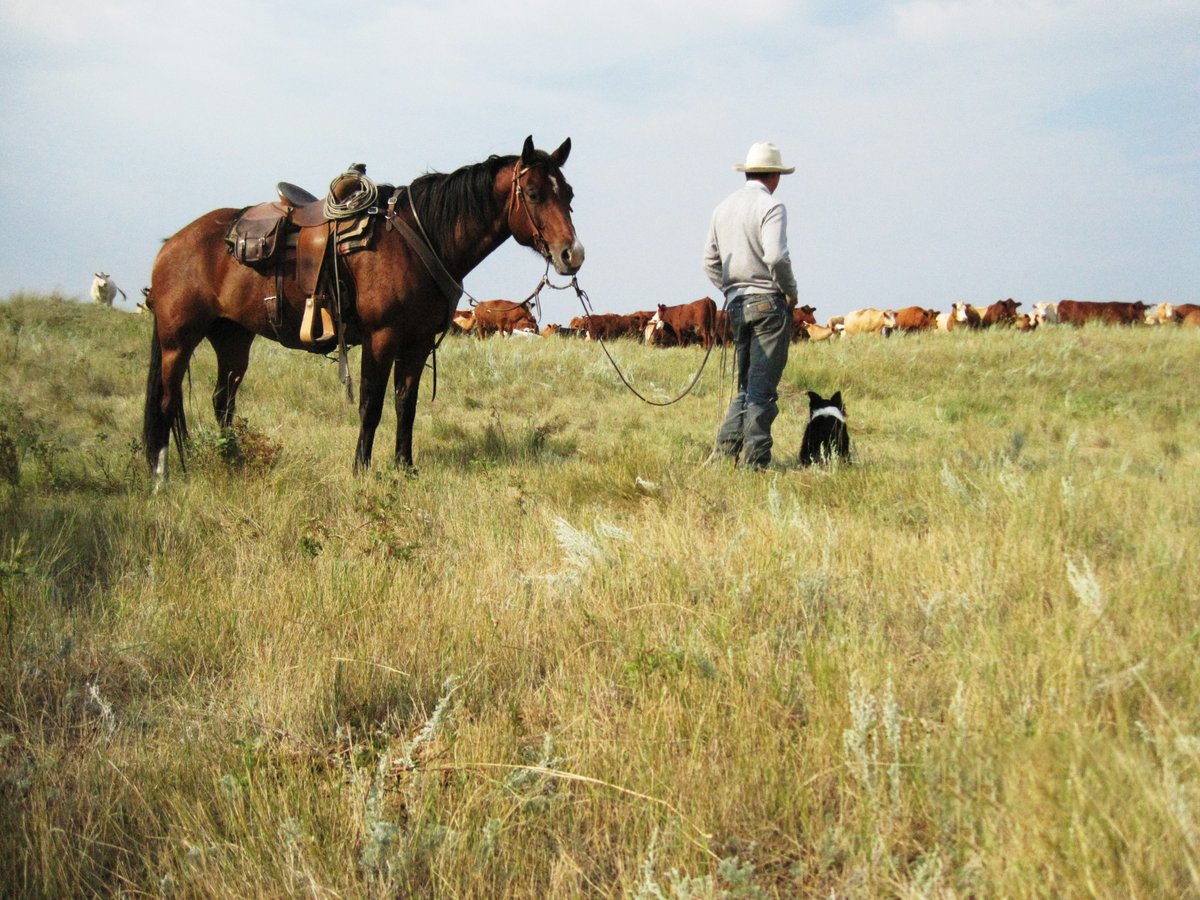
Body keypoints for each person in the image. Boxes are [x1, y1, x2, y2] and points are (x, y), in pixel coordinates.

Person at [703, 141, 799, 469]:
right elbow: (775, 255)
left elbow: (709, 262)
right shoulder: (771, 206)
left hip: (737, 305)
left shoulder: (722, 208)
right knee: (762, 390)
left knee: (746, 387)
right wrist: (790, 291)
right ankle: (754, 466)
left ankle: (722, 458)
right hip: (769, 303)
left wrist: (730, 290)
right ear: (775, 176)